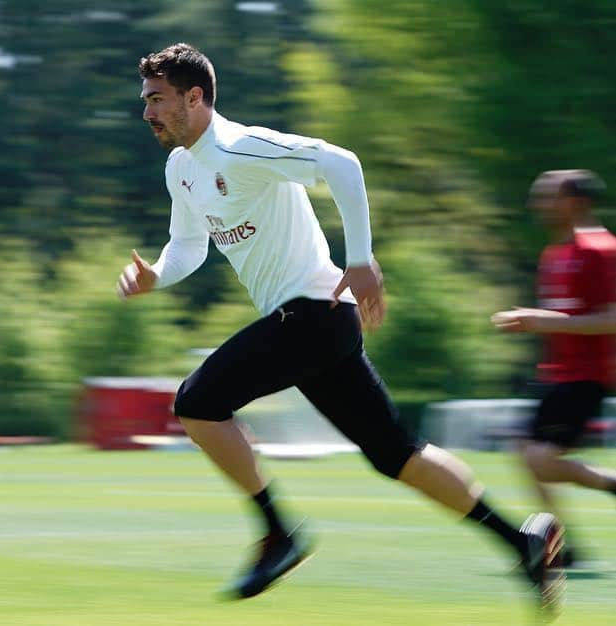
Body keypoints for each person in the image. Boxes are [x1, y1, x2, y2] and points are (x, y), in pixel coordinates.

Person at [118, 43, 564, 609]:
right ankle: (520, 541)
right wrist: (156, 275)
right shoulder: (181, 169)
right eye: (146, 100)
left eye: (157, 99)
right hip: (315, 325)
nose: (147, 112)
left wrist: (361, 259)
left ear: (195, 97)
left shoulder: (239, 147)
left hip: (310, 314)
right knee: (395, 455)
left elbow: (341, 162)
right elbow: (188, 246)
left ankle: (279, 533)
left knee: (197, 401)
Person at [492, 169, 616, 566]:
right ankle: (565, 547)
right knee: (526, 454)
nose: (538, 204)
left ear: (576, 202)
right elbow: (567, 314)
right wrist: (530, 318)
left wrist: (542, 321)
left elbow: (612, 318)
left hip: (586, 374)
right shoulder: (555, 253)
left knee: (540, 459)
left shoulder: (601, 250)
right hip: (555, 372)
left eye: (548, 196)